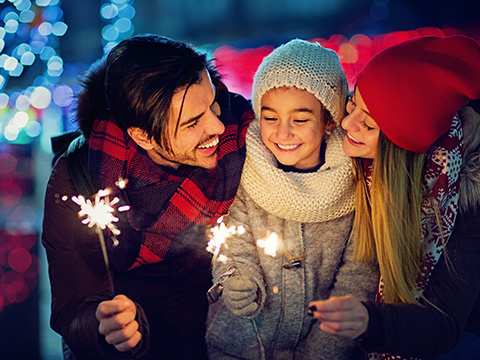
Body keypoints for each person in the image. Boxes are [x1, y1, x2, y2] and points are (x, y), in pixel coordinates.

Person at [41, 34, 253, 360]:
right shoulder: (80, 178)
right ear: (143, 136)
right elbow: (73, 304)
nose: (218, 125)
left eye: (212, 103)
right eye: (193, 122)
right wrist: (105, 327)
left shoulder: (250, 136)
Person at [307, 35, 480, 359]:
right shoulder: (355, 156)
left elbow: (443, 324)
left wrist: (371, 322)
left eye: (368, 123)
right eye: (352, 103)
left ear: (401, 145)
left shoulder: (465, 205)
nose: (346, 123)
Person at [205, 39, 378, 359]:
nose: (282, 134)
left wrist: (322, 352)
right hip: (241, 347)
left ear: (328, 120)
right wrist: (237, 279)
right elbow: (230, 241)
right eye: (270, 118)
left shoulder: (355, 185)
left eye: (299, 120)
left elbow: (357, 275)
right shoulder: (243, 169)